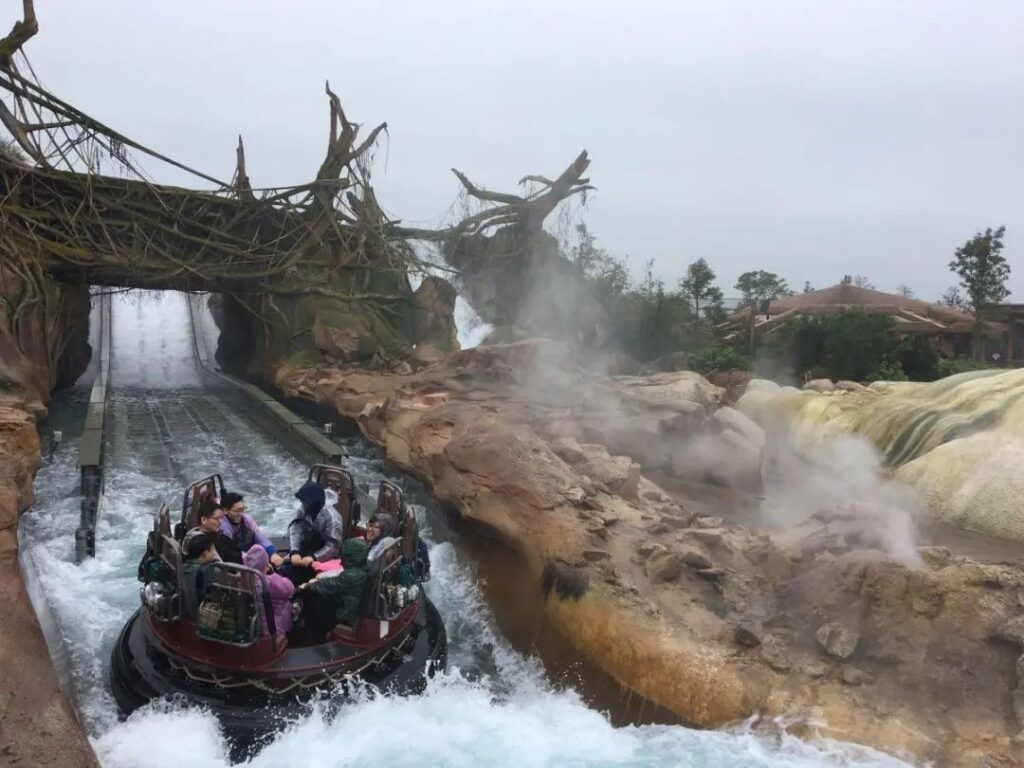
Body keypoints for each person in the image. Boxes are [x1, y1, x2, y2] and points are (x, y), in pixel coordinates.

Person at [298, 538, 370, 639]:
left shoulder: (351, 576)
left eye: (344, 557)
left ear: (350, 558)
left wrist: (307, 586)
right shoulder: (363, 568)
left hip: (347, 615)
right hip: (353, 607)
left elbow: (331, 585)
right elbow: (337, 581)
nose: (341, 562)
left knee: (314, 602)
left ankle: (312, 637)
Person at [277, 481, 343, 587]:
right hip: (305, 549)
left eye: (305, 502)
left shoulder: (333, 519)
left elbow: (333, 547)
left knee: (288, 573)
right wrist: (295, 551)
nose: (303, 504)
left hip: (323, 558)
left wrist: (313, 557)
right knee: (278, 567)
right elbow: (296, 528)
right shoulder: (303, 509)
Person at [243, 544, 295, 638]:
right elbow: (290, 589)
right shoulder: (269, 582)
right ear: (266, 564)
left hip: (248, 626)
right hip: (272, 628)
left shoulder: (241, 579)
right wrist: (272, 574)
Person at [219, 492, 282, 568]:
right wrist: (260, 562)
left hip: (249, 552)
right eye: (237, 511)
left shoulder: (246, 519)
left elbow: (258, 535)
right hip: (235, 561)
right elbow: (233, 552)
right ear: (225, 510)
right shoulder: (223, 527)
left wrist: (272, 553)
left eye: (242, 510)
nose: (241, 514)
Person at [182, 532, 218, 618]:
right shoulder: (207, 571)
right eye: (213, 550)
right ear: (205, 554)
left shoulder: (183, 567)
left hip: (184, 611)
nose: (214, 553)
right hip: (198, 614)